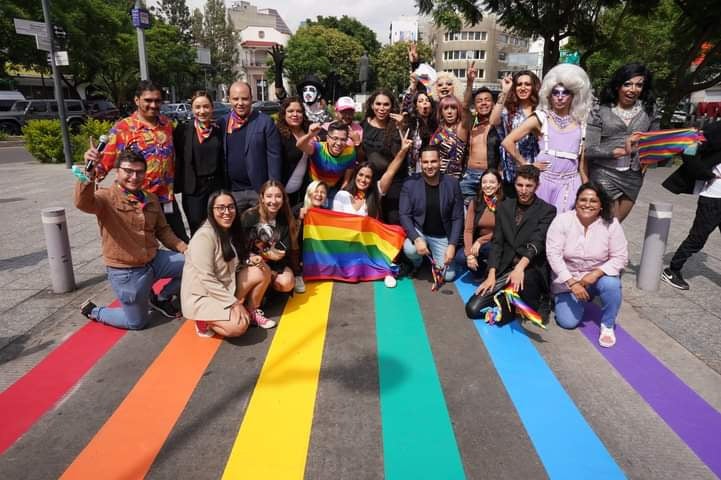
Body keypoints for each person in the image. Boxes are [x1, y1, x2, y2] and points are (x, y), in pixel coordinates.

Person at [78, 149, 186, 329]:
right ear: (117, 171)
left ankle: (161, 297)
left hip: (153, 260)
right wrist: (88, 173)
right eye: (128, 171)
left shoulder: (150, 197)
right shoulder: (106, 197)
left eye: (139, 172)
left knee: (196, 264)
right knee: (137, 323)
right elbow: (83, 202)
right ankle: (95, 311)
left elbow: (163, 230)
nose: (134, 177)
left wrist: (185, 248)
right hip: (127, 271)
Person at [86, 80, 188, 242]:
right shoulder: (123, 129)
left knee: (182, 244)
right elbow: (100, 170)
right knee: (143, 251)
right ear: (137, 100)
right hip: (138, 203)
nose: (153, 105)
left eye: (157, 100)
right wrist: (91, 163)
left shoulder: (167, 125)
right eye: (148, 100)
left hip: (165, 200)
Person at [466, 165, 556, 321]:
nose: (523, 190)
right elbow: (497, 242)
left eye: (529, 186)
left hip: (529, 267)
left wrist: (520, 268)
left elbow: (537, 242)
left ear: (537, 186)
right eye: (520, 185)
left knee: (530, 310)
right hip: (505, 265)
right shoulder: (504, 207)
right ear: (514, 184)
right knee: (473, 309)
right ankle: (508, 300)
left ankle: (540, 299)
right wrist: (491, 274)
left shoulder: (547, 210)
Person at [181, 190, 275, 337]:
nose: (227, 212)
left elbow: (236, 256)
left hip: (226, 285)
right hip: (205, 294)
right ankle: (203, 321)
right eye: (221, 208)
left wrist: (250, 258)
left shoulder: (231, 229)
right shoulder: (203, 237)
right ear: (211, 210)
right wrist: (234, 304)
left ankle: (252, 311)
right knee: (238, 327)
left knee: (262, 270)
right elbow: (206, 278)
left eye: (231, 207)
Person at [501, 64, 593, 214]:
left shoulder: (581, 122)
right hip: (543, 182)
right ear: (549, 95)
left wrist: (588, 188)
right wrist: (527, 165)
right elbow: (507, 142)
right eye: (555, 92)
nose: (560, 97)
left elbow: (582, 162)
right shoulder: (541, 117)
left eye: (566, 93)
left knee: (562, 225)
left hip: (570, 184)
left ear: (574, 95)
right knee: (538, 224)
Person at [546, 182, 628, 347]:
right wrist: (572, 283)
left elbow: (621, 257)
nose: (587, 205)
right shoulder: (562, 220)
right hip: (567, 281)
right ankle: (567, 299)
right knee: (567, 322)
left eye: (593, 201)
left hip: (596, 277)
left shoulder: (611, 223)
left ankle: (607, 325)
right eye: (583, 200)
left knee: (612, 283)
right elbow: (553, 255)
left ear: (601, 205)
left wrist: (596, 274)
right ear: (576, 202)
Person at [586, 63, 657, 222]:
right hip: (603, 174)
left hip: (633, 177)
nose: (633, 89)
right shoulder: (599, 110)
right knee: (610, 224)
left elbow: (654, 145)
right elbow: (589, 150)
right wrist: (618, 151)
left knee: (614, 226)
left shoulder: (650, 110)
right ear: (618, 85)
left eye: (639, 85)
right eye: (628, 84)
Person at [661, 121, 721, 290]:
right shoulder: (716, 129)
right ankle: (673, 269)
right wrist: (705, 174)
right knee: (698, 238)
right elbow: (689, 151)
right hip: (714, 197)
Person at [400, 145, 464, 282]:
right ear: (420, 163)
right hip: (421, 231)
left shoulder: (452, 184)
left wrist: (452, 245)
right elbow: (404, 215)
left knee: (448, 276)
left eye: (433, 161)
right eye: (425, 162)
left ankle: (434, 257)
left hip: (441, 235)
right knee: (410, 249)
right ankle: (417, 263)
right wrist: (416, 238)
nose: (429, 166)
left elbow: (458, 217)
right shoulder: (410, 184)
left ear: (440, 161)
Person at [222, 81, 282, 212]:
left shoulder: (264, 122)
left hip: (258, 191)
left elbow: (274, 158)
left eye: (244, 98)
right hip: (232, 192)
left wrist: (272, 191)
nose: (240, 103)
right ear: (229, 99)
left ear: (251, 98)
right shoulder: (223, 123)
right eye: (235, 99)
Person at [174, 90, 227, 236]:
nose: (202, 111)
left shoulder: (218, 130)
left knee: (219, 227)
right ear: (192, 109)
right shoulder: (183, 130)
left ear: (212, 108)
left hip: (215, 187)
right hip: (193, 189)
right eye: (197, 107)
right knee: (197, 229)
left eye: (206, 107)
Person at [332, 133, 413, 217]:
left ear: (372, 180)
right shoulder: (342, 195)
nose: (363, 180)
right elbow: (336, 222)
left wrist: (403, 150)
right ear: (355, 175)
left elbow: (390, 172)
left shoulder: (376, 194)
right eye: (361, 175)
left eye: (368, 177)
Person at [490, 71, 541, 197]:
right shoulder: (509, 110)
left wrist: (527, 165)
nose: (523, 87)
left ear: (534, 87)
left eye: (527, 84)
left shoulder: (540, 111)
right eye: (519, 84)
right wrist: (505, 91)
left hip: (531, 175)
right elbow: (493, 120)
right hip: (509, 174)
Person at [241, 180, 297, 294]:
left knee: (287, 282)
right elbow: (241, 247)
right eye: (269, 196)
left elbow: (280, 253)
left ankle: (267, 289)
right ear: (262, 198)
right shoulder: (249, 217)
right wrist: (262, 254)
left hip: (274, 264)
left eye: (278, 196)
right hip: (250, 261)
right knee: (259, 273)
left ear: (283, 199)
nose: (273, 201)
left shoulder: (285, 219)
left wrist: (265, 253)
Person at [362, 90, 404, 224]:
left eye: (386, 105)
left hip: (394, 180)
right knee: (370, 217)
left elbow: (401, 152)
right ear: (372, 105)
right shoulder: (364, 125)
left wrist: (401, 128)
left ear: (392, 107)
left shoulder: (397, 126)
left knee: (393, 219)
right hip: (369, 179)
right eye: (378, 104)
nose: (381, 108)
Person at [460, 66, 501, 202]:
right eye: (479, 101)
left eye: (487, 100)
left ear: (494, 104)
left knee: (489, 217)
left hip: (490, 176)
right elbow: (464, 106)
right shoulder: (472, 125)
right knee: (468, 216)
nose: (483, 103)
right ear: (475, 106)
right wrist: (470, 82)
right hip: (470, 176)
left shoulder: (499, 125)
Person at [297, 121, 357, 198]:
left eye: (343, 139)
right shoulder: (318, 148)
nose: (339, 143)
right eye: (335, 138)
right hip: (313, 187)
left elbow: (347, 177)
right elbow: (299, 145)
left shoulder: (350, 152)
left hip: (332, 190)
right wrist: (310, 135)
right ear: (328, 138)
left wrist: (342, 191)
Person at [462, 170, 504, 275]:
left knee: (489, 249)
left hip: (496, 241)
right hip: (477, 243)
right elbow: (468, 230)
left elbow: (502, 230)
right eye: (484, 182)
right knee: (461, 257)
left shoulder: (505, 203)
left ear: (498, 185)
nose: (488, 185)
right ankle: (480, 271)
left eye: (492, 182)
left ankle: (495, 271)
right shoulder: (475, 202)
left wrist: (481, 240)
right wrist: (469, 254)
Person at [276, 96, 309, 206]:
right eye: (290, 111)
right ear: (284, 113)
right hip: (281, 191)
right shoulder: (278, 134)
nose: (295, 115)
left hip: (301, 191)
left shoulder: (308, 130)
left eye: (299, 111)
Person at [430, 94, 469, 181]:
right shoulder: (438, 130)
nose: (449, 112)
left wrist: (469, 83)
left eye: (453, 108)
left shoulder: (462, 128)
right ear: (441, 112)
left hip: (454, 179)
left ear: (458, 110)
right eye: (446, 108)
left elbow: (466, 107)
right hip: (435, 177)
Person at [401, 91, 437, 175]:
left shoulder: (437, 124)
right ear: (416, 107)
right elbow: (405, 105)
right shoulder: (411, 123)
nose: (424, 102)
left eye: (427, 100)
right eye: (420, 101)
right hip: (414, 169)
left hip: (432, 167)